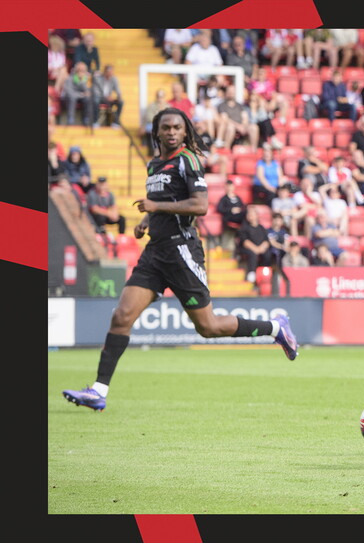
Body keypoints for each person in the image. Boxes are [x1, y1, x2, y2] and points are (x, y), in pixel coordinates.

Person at [62, 108, 298, 412]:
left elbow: (200, 205)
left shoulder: (188, 160)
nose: (172, 131)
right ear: (157, 132)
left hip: (181, 251)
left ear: (185, 132)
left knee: (208, 327)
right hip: (155, 253)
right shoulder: (154, 164)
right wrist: (148, 219)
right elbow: (166, 201)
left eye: (177, 127)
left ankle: (276, 328)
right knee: (121, 316)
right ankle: (98, 390)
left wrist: (155, 206)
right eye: (166, 127)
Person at [216, 179, 246, 254]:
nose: (230, 188)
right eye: (228, 186)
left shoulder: (238, 198)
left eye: (231, 186)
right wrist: (231, 210)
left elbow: (243, 207)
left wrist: (239, 210)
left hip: (239, 217)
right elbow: (220, 209)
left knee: (247, 213)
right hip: (229, 218)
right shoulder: (224, 199)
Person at [62, 61, 95, 126]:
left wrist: (82, 81)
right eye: (79, 70)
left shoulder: (88, 79)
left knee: (88, 98)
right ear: (76, 70)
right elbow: (69, 92)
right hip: (72, 97)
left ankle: (86, 118)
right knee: (72, 98)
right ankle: (70, 119)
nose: (81, 72)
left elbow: (88, 92)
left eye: (83, 70)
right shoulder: (70, 78)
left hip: (82, 96)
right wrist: (81, 94)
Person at [91, 64, 123, 128]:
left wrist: (119, 97)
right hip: (100, 97)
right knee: (95, 101)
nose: (111, 74)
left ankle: (116, 122)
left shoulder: (114, 79)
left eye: (112, 72)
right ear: (105, 72)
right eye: (109, 72)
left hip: (108, 98)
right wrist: (105, 97)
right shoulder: (98, 78)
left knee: (121, 102)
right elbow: (95, 91)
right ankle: (96, 122)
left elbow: (118, 89)